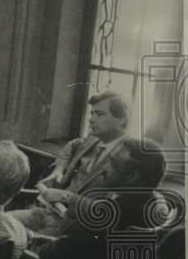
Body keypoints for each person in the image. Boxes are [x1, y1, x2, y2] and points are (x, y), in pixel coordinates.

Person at [29, 137, 168, 259]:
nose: (104, 169)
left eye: (113, 164)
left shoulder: (107, 215)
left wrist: (31, 245)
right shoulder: (156, 204)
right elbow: (77, 247)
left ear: (132, 176)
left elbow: (53, 255)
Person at [8, 90, 131, 237]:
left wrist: (66, 196)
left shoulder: (127, 157)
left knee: (12, 240)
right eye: (91, 113)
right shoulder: (94, 139)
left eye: (99, 114)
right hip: (48, 213)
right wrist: (59, 170)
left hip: (73, 231)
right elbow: (72, 145)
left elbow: (109, 210)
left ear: (122, 119)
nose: (91, 119)